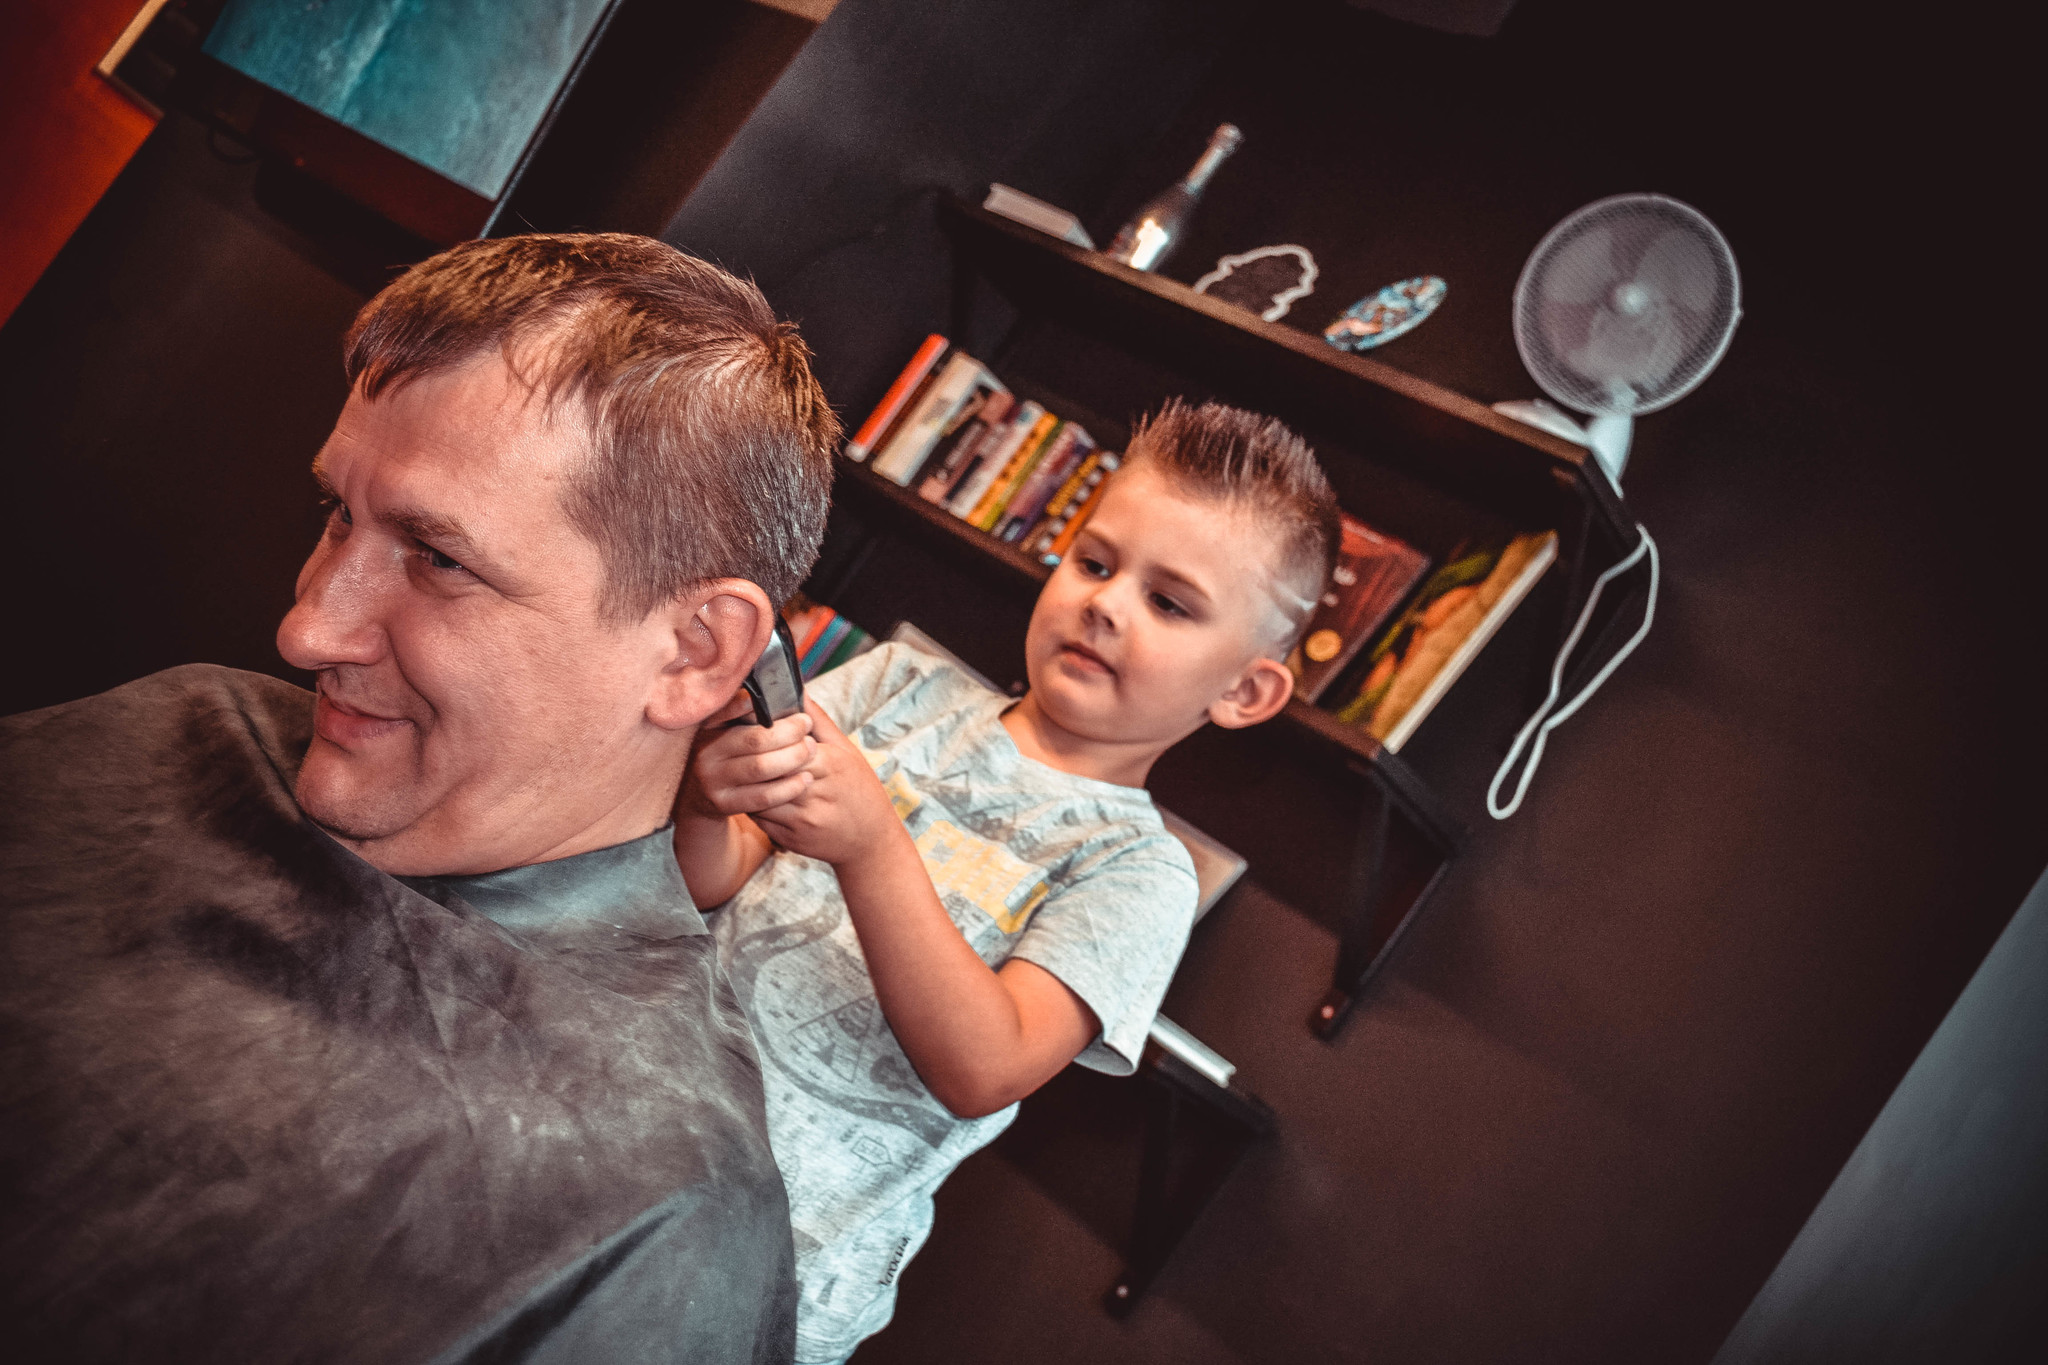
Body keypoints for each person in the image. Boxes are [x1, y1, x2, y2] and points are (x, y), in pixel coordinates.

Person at [0, 234, 836, 1364]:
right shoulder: (184, 725)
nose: (307, 628)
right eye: (339, 515)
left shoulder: (657, 1213)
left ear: (694, 652)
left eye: (438, 559)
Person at [676, 399, 1340, 1362]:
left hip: (773, 1263)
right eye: (1096, 562)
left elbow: (986, 1067)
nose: (1106, 602)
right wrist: (706, 800)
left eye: (1170, 602)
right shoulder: (895, 685)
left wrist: (871, 846)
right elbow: (718, 881)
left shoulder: (1140, 873)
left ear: (1244, 690)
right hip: (632, 1122)